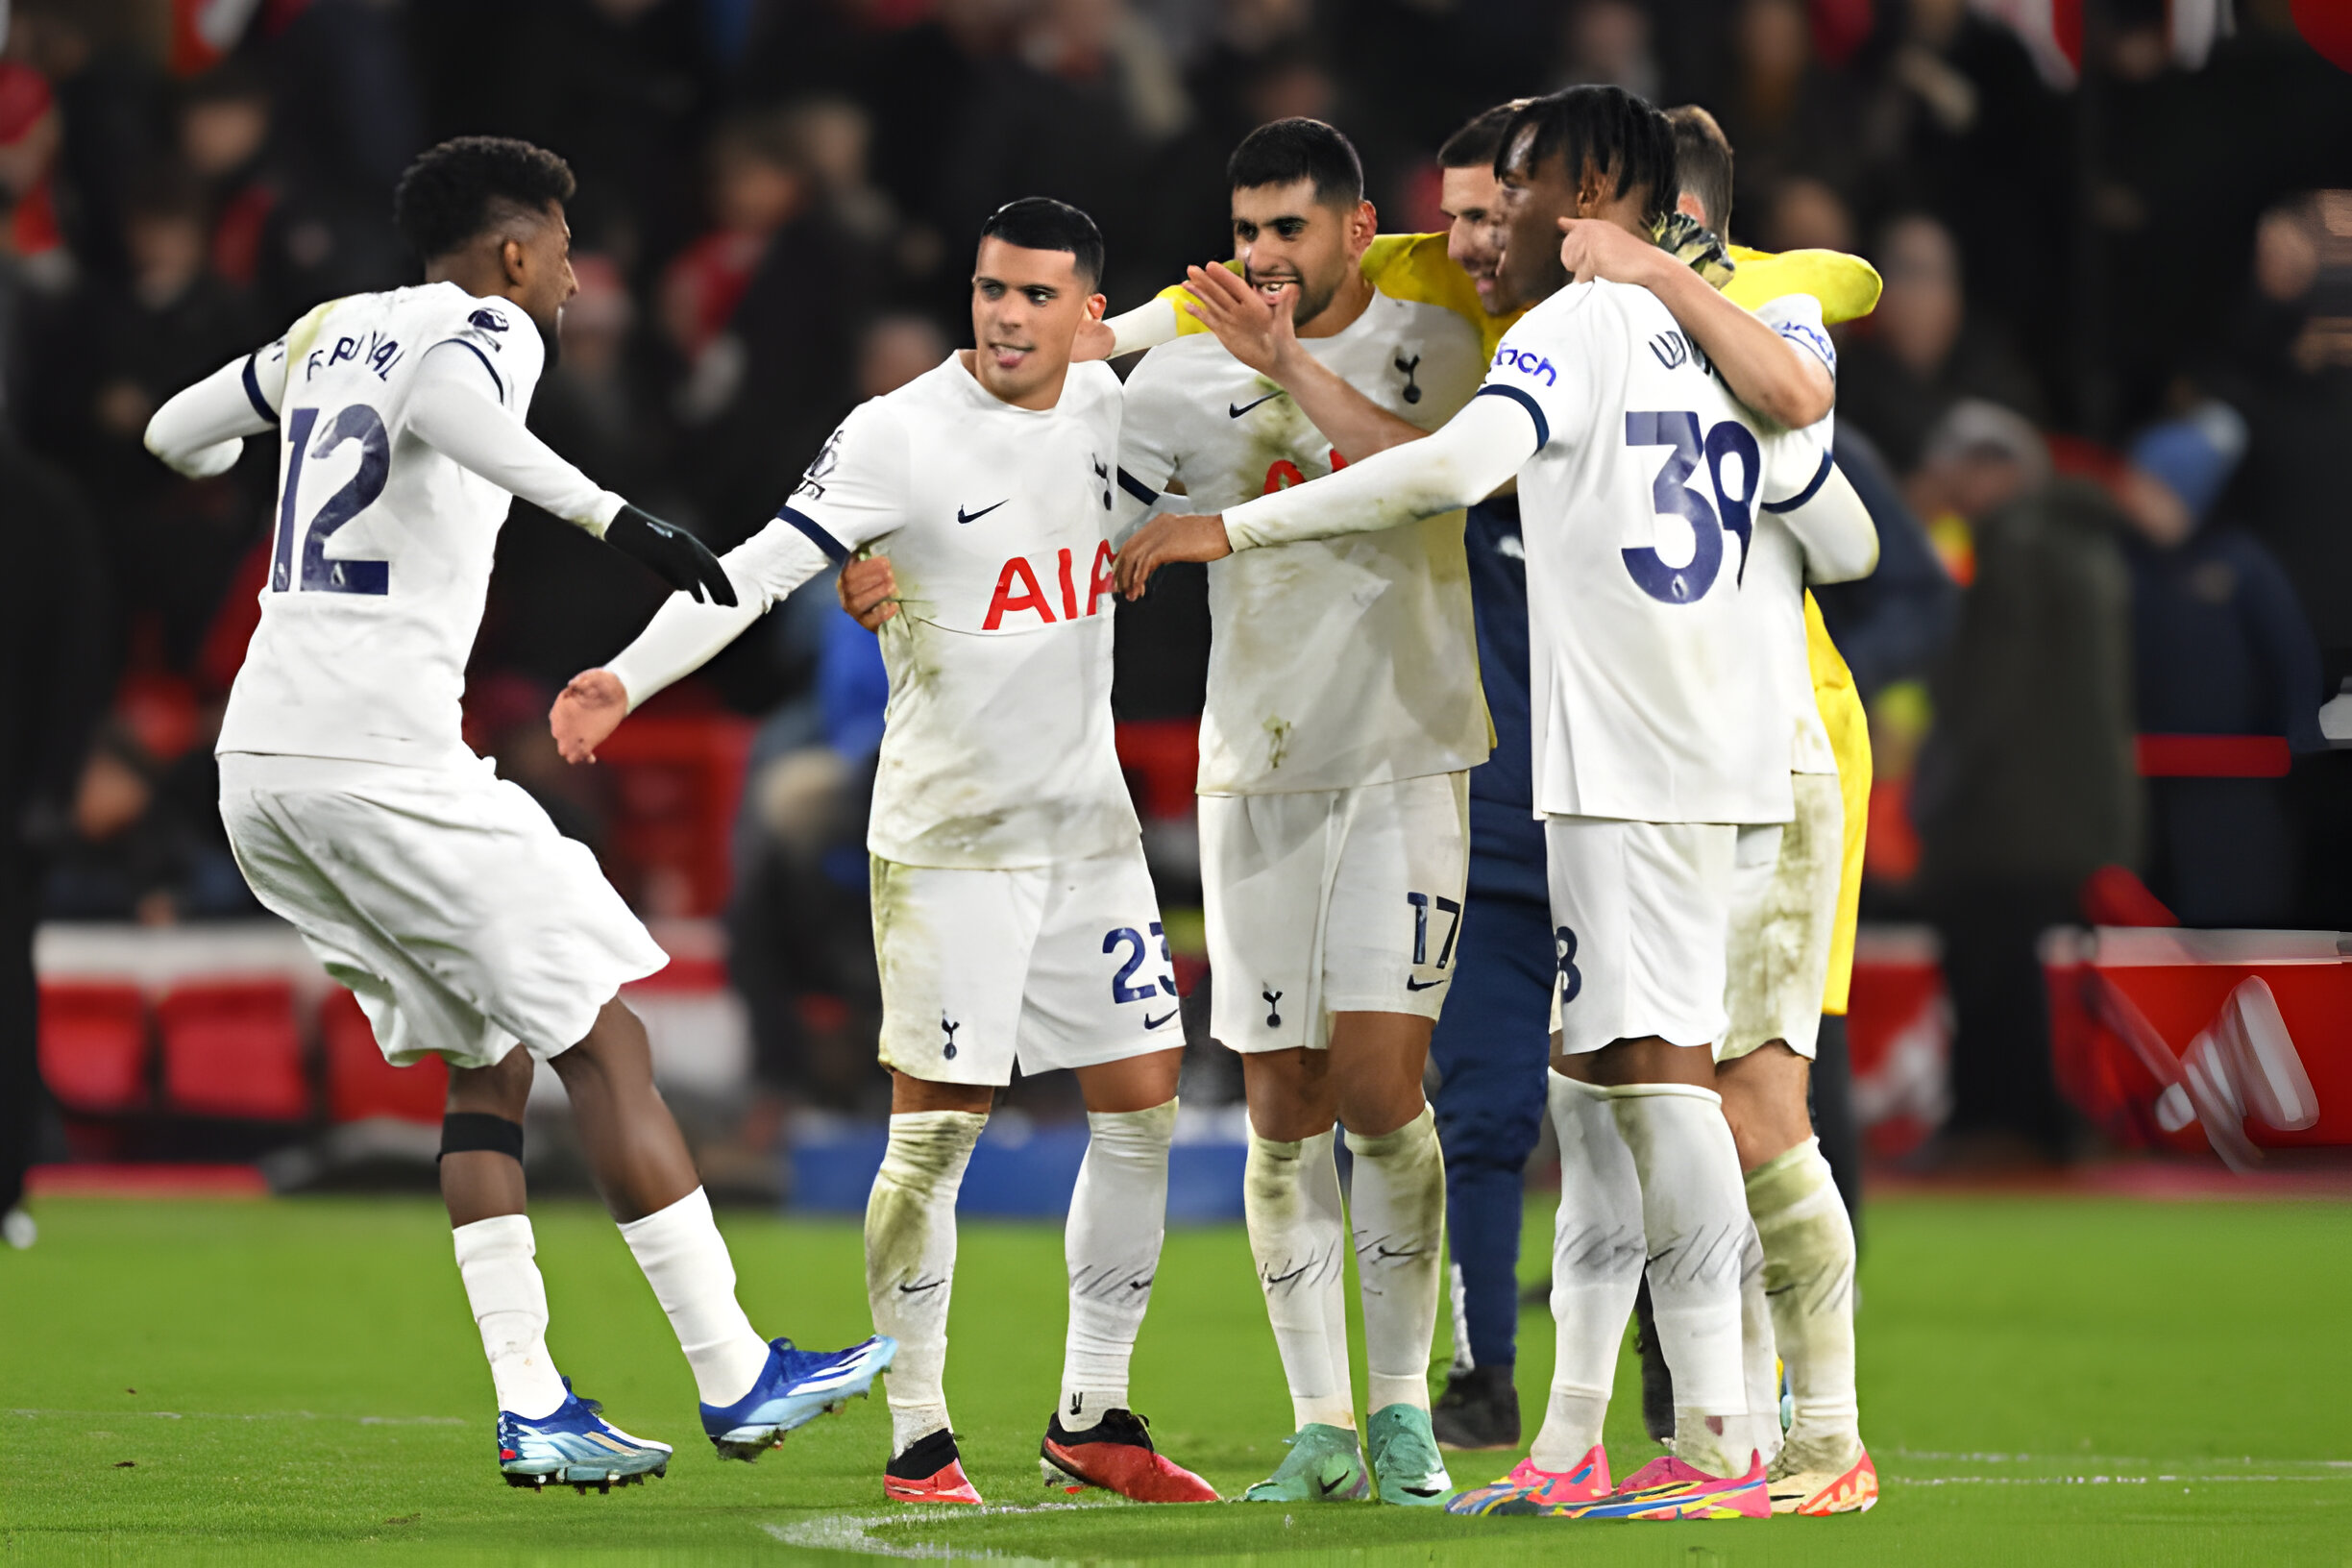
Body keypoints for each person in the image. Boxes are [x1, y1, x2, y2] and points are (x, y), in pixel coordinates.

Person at [1115, 86, 1877, 1522]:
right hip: (1658, 754)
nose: (1476, 227)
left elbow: (1451, 474)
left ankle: (1745, 1436)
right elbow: (1835, 508)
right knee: (1598, 1096)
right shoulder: (1736, 322)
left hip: (1662, 756)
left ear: (1593, 186)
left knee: (1679, 1094)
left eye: (1509, 194)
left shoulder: (1571, 329)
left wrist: (1232, 522)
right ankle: (1584, 1435)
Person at [140, 135, 892, 1490]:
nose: (573, 275)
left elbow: (170, 436)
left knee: (488, 1061)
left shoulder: (330, 332)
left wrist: (241, 453)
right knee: (608, 1039)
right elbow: (456, 416)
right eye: (558, 245)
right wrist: (615, 518)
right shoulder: (488, 328)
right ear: (510, 253)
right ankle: (737, 1375)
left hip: (262, 766)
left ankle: (535, 1402)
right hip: (376, 760)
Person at [549, 198, 1217, 1509]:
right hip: (952, 837)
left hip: (1086, 829)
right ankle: (919, 1435)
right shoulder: (898, 433)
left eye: (1037, 297)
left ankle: (1094, 1413)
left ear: (1088, 314)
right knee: (934, 1140)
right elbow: (753, 572)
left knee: (1143, 1106)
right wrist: (626, 678)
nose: (1007, 317)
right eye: (989, 290)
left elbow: (1211, 337)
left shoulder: (1109, 407)